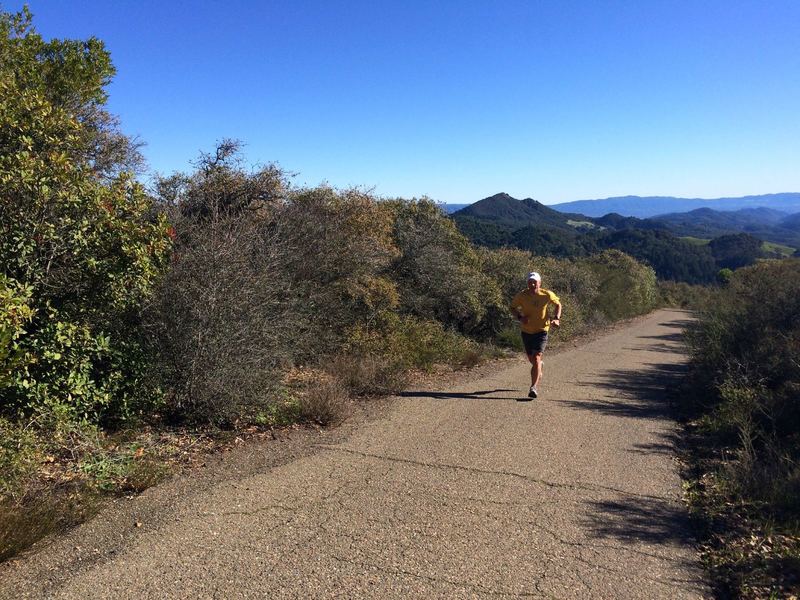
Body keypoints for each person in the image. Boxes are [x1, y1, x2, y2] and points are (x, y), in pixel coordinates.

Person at [510, 271, 561, 398]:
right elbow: (512, 307)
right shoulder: (522, 295)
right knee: (532, 360)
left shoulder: (547, 294)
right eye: (530, 282)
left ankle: (533, 388)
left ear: (539, 283)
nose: (532, 285)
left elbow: (558, 304)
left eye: (534, 282)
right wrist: (520, 317)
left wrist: (556, 318)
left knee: (537, 357)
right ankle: (538, 367)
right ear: (527, 283)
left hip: (542, 330)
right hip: (526, 331)